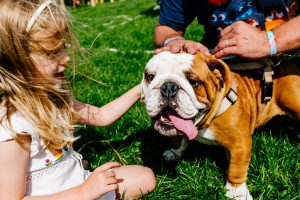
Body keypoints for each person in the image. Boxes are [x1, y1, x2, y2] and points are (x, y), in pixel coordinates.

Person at [0, 0, 156, 199]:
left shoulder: (54, 99)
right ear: (16, 62)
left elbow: (101, 116)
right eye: (51, 52)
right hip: (64, 195)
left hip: (80, 183)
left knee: (145, 176)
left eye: (62, 47)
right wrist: (85, 192)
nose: (65, 58)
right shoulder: (14, 127)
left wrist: (142, 89)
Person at [154, 0, 300, 62]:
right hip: (222, 65)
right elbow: (165, 27)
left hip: (286, 61)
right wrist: (175, 41)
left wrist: (268, 41)